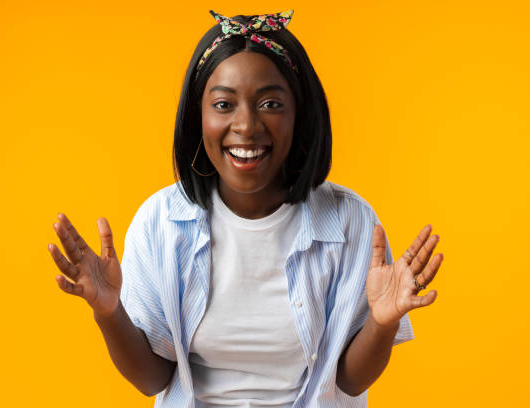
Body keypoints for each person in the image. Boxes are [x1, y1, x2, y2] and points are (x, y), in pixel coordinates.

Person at [47, 10, 443, 408]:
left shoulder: (349, 221)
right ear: (197, 117)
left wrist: (382, 321)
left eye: (270, 103)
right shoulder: (160, 223)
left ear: (299, 115)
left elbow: (350, 382)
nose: (246, 126)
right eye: (223, 104)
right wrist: (109, 312)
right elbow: (153, 380)